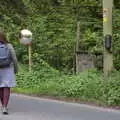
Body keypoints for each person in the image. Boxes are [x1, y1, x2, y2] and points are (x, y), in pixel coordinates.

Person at [0, 30, 18, 115]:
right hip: (8, 68)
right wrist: (16, 69)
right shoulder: (9, 45)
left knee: (0, 87)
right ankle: (4, 107)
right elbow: (14, 58)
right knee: (6, 86)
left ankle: (2, 104)